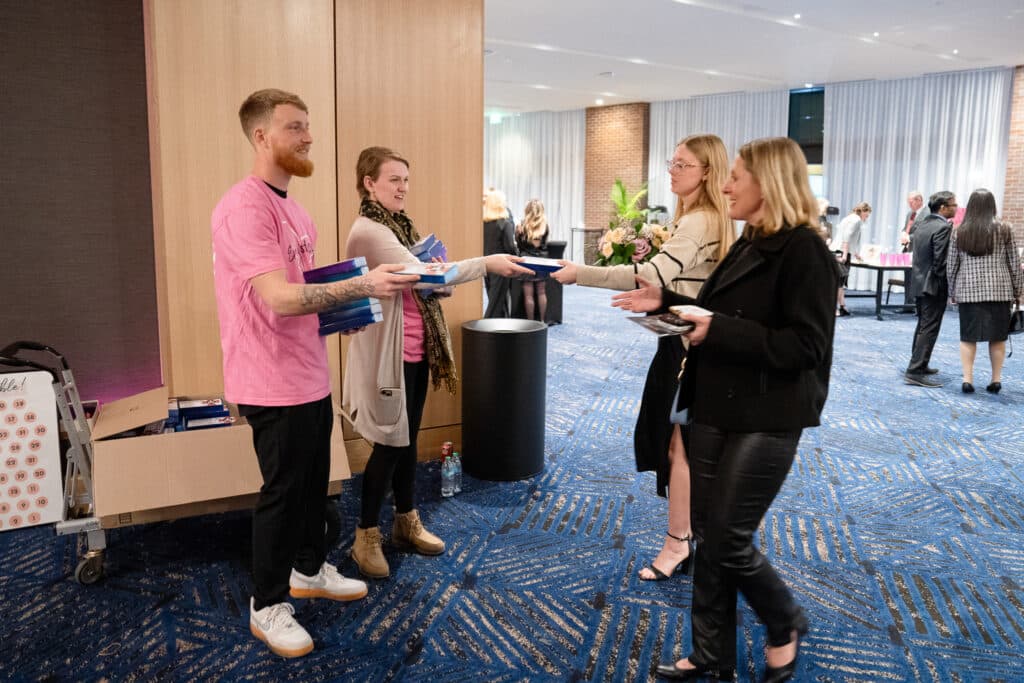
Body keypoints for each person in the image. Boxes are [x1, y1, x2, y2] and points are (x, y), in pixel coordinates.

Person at [612, 137, 837, 682]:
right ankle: (710, 654)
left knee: (730, 538)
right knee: (711, 539)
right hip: (716, 403)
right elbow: (717, 308)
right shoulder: (749, 241)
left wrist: (721, 329)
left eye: (737, 176)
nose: (727, 184)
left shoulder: (805, 251)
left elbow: (807, 348)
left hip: (768, 414)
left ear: (769, 183)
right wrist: (664, 304)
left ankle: (784, 620)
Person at [211, 89, 421, 658]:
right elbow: (279, 298)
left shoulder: (295, 210)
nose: (308, 137)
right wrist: (363, 286)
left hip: (308, 373)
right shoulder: (244, 208)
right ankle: (268, 604)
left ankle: (308, 570)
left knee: (311, 486)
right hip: (268, 380)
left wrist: (343, 314)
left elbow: (307, 296)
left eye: (308, 126)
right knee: (282, 493)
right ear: (262, 136)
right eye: (295, 127)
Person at [343, 146, 532, 580]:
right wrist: (484, 264)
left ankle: (405, 521)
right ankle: (365, 535)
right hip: (387, 360)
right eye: (393, 179)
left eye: (406, 180)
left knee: (407, 442)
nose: (403, 188)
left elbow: (423, 282)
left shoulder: (397, 226)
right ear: (369, 183)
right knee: (390, 445)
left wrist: (433, 278)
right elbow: (425, 276)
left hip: (414, 350)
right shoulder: (371, 229)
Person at [553, 134, 733, 582]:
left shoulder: (701, 219)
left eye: (683, 165)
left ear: (707, 171)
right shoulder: (701, 218)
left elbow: (652, 277)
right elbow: (678, 275)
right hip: (685, 338)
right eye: (672, 162)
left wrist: (582, 274)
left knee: (680, 445)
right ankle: (688, 536)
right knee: (682, 443)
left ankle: (678, 541)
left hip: (687, 347)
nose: (672, 170)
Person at [947, 189, 1022, 394]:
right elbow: (1014, 262)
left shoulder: (959, 231)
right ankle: (996, 380)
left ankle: (967, 380)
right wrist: (1018, 290)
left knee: (968, 337)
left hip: (968, 290)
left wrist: (952, 290)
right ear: (992, 205)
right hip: (999, 291)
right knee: (997, 338)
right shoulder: (1005, 228)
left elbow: (952, 264)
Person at [905, 191, 957, 387]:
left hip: (918, 283)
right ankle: (915, 370)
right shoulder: (943, 227)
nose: (956, 208)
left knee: (922, 326)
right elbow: (940, 262)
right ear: (943, 207)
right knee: (929, 328)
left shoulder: (923, 223)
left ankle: (919, 363)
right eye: (953, 205)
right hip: (933, 286)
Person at [482, 188, 519, 318]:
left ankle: (501, 328)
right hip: (502, 265)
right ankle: (486, 330)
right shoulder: (504, 223)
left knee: (494, 298)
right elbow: (510, 245)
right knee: (496, 302)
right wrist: (518, 256)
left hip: (486, 265)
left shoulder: (483, 223)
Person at [832, 202, 871, 317]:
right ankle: (834, 309)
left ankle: (843, 306)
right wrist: (844, 254)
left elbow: (849, 238)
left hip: (840, 250)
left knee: (840, 283)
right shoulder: (856, 220)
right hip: (842, 252)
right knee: (838, 283)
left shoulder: (849, 218)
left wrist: (855, 253)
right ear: (863, 211)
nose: (866, 218)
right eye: (867, 215)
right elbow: (847, 237)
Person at [515, 199, 551, 322]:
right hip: (542, 262)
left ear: (527, 210)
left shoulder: (521, 226)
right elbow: (545, 244)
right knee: (541, 292)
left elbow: (519, 246)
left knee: (528, 295)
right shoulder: (545, 226)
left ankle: (531, 322)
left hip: (527, 261)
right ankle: (542, 321)